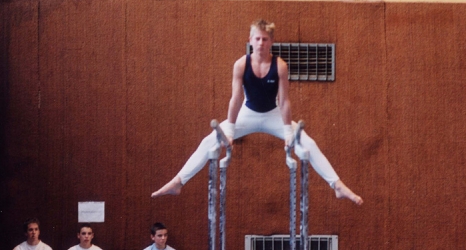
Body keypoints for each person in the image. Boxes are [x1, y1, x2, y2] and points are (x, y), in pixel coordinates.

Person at [152, 19, 363, 205]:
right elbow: (235, 98)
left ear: (271, 42)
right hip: (247, 113)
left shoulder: (280, 65)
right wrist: (232, 130)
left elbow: (284, 101)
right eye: (257, 39)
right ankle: (178, 182)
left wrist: (289, 133)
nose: (261, 43)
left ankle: (336, 185)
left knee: (307, 143)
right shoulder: (241, 65)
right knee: (211, 140)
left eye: (265, 39)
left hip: (274, 115)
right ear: (250, 40)